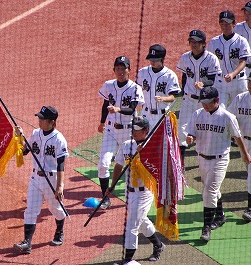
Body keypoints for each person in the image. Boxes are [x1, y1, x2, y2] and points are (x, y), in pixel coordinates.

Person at [186, 86, 251, 242]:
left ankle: (206, 228)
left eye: (208, 102)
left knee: (208, 191)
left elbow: (237, 137)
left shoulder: (227, 117)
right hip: (201, 158)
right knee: (210, 188)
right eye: (203, 102)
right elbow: (192, 132)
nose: (204, 105)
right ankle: (220, 215)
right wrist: (190, 138)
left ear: (217, 100)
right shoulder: (197, 114)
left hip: (219, 159)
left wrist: (245, 154)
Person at [106, 116, 165, 264]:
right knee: (141, 220)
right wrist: (112, 185)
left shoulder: (152, 146)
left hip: (145, 192)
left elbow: (157, 169)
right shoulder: (126, 145)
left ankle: (127, 260)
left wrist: (142, 153)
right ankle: (158, 245)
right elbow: (119, 166)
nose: (133, 132)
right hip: (130, 191)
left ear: (146, 131)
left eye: (137, 130)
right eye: (132, 129)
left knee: (132, 225)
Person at [13, 106, 69, 254]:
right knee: (30, 210)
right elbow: (25, 151)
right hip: (35, 179)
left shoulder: (59, 139)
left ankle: (59, 231)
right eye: (39, 118)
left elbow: (61, 164)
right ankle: (27, 243)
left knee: (55, 209)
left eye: (42, 119)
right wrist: (20, 136)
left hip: (51, 180)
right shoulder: (35, 133)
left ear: (52, 122)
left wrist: (60, 186)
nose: (39, 121)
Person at [97, 56, 145, 210]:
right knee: (103, 164)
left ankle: (137, 195)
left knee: (132, 166)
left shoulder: (135, 88)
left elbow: (132, 109)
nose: (120, 71)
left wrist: (117, 109)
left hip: (129, 132)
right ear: (114, 70)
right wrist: (101, 122)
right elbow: (105, 104)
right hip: (111, 130)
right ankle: (105, 198)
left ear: (128, 70)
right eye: (117, 68)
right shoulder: (108, 85)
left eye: (123, 68)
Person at [177, 29, 222, 166]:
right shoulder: (185, 57)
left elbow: (212, 79)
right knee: (182, 129)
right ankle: (181, 165)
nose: (194, 44)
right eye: (191, 42)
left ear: (203, 44)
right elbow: (184, 76)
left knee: (205, 129)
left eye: (197, 42)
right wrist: (184, 92)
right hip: (188, 99)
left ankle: (208, 158)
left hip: (204, 102)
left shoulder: (211, 58)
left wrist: (204, 84)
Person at [207, 10, 251, 108]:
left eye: (227, 24)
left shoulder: (241, 41)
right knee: (219, 111)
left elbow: (243, 61)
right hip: (220, 82)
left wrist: (232, 74)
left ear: (234, 24)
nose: (224, 27)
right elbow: (208, 61)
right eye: (222, 24)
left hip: (238, 82)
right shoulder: (214, 42)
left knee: (239, 111)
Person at [137, 44, 181, 130]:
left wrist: (163, 99)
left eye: (155, 60)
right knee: (145, 141)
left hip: (162, 115)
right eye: (151, 59)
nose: (152, 62)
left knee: (163, 142)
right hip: (146, 114)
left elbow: (172, 97)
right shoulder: (142, 72)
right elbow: (137, 91)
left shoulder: (170, 75)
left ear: (162, 59)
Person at [227, 77, 251, 222]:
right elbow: (229, 117)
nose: (250, 85)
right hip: (244, 142)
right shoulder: (240, 98)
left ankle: (250, 207)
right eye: (249, 82)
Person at [234, 2, 251, 79]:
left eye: (249, 14)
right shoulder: (238, 28)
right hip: (243, 69)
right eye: (245, 13)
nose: (246, 16)